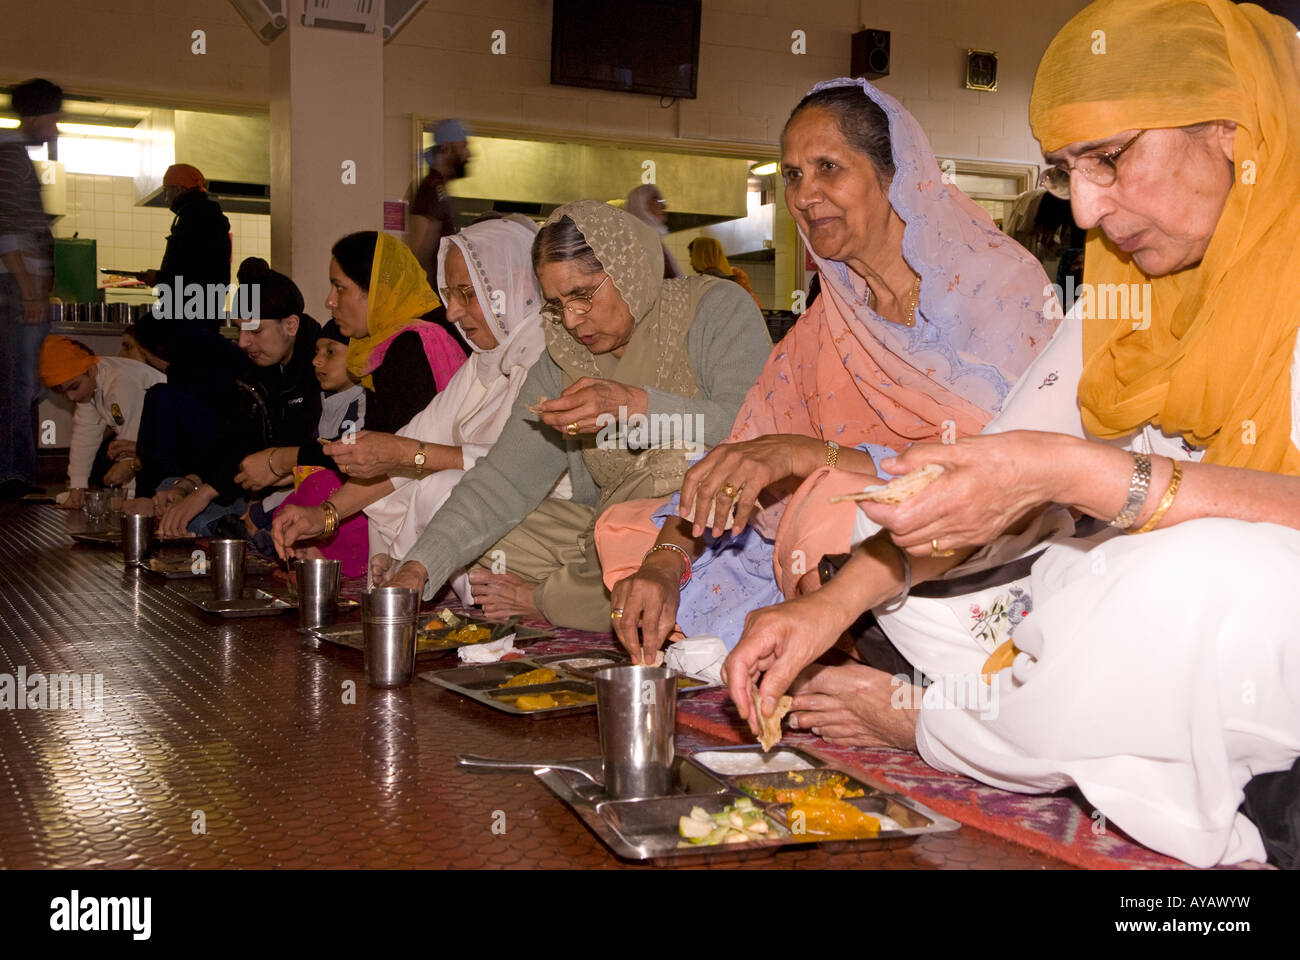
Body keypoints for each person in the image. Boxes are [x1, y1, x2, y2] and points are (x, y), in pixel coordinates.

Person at [724, 0, 1300, 869]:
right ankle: (1059, 729)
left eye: (1110, 157)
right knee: (982, 588)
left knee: (1200, 572)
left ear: (1231, 125)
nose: (1090, 210)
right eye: (1069, 172)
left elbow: (1065, 472)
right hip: (1133, 596)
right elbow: (992, 472)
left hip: (1244, 593)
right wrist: (826, 606)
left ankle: (934, 722)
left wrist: (1078, 474)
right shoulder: (1123, 287)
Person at [599, 79, 1057, 662]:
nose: (805, 194)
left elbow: (1001, 471)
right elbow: (741, 454)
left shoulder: (997, 290)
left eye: (828, 168)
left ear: (896, 177)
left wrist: (806, 456)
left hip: (986, 553)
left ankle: (897, 679)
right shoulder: (832, 320)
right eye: (792, 174)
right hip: (845, 563)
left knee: (824, 501)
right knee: (646, 532)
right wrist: (664, 566)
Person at [356, 200, 771, 631]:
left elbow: (752, 432)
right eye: (557, 303)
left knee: (675, 459)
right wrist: (419, 568)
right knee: (477, 534)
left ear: (626, 268)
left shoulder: (714, 310)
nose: (572, 319)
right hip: (610, 535)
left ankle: (560, 599)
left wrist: (635, 406)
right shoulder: (564, 356)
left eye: (582, 295)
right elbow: (503, 480)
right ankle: (594, 593)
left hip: (716, 528)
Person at [272, 217, 561, 583]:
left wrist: (407, 455)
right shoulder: (484, 360)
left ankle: (427, 585)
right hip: (484, 508)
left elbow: (512, 466)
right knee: (385, 491)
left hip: (544, 513)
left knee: (439, 489)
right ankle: (404, 586)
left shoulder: (550, 356)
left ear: (515, 285)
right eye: (450, 295)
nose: (452, 313)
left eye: (466, 294)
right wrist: (325, 515)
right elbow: (416, 437)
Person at [153, 260, 321, 537]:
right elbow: (234, 443)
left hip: (305, 500)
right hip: (255, 490)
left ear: (291, 325)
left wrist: (207, 492)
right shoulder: (257, 373)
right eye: (239, 329)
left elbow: (303, 450)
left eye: (255, 331)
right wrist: (191, 485)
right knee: (168, 488)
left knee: (202, 522)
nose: (243, 343)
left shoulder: (322, 370)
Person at [0, 78, 61, 500]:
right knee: (17, 385)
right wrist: (31, 291)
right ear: (38, 115)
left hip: (17, 290)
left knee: (18, 384)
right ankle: (13, 476)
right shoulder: (9, 157)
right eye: (55, 119)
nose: (55, 130)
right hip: (13, 292)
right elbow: (4, 229)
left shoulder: (14, 155)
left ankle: (14, 473)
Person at [39, 335, 165, 505]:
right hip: (153, 451)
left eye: (74, 387)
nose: (71, 397)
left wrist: (132, 498)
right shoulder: (92, 386)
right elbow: (84, 437)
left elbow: (135, 441)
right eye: (64, 392)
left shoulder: (121, 383)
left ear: (91, 369)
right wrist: (77, 487)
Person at [140, 164, 232, 332]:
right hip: (200, 315)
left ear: (179, 189)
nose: (166, 197)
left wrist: (160, 278)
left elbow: (190, 270)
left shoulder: (193, 218)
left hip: (189, 317)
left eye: (167, 190)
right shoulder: (206, 216)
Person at [409, 119, 471, 288]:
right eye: (464, 146)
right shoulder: (431, 189)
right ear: (446, 147)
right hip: (433, 301)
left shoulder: (439, 189)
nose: (468, 154)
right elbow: (418, 252)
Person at [624, 185, 683, 279]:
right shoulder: (644, 244)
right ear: (641, 205)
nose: (664, 206)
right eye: (657, 200)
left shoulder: (649, 240)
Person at [687, 236, 761, 307]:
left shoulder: (705, 282)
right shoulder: (736, 277)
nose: (691, 263)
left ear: (701, 256)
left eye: (692, 257)